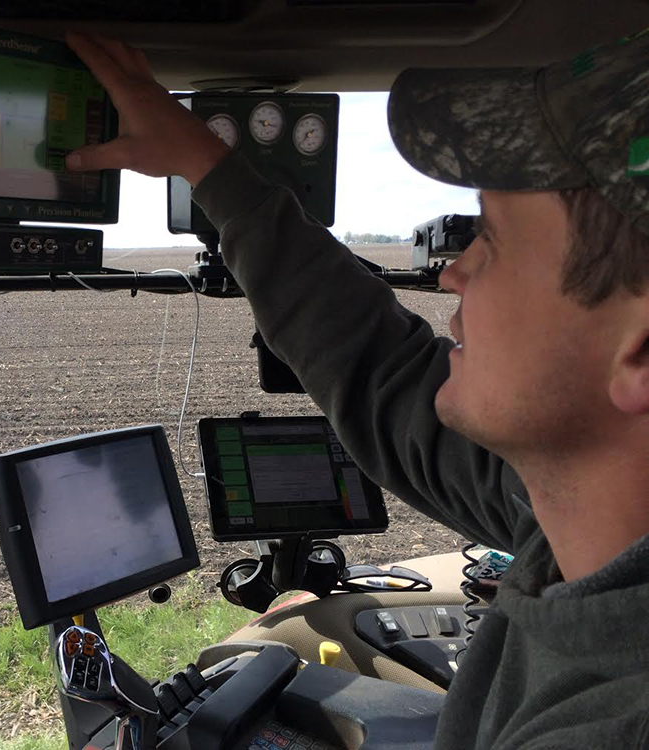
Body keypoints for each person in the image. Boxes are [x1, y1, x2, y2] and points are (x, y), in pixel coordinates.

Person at [61, 30, 649, 750]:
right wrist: (202, 162)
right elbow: (380, 369)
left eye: (492, 239)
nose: (451, 273)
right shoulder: (574, 520)